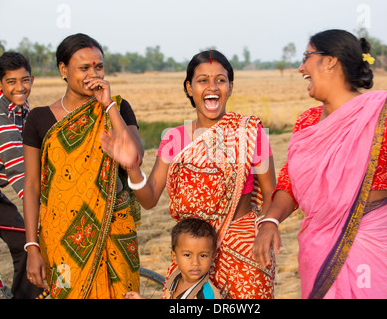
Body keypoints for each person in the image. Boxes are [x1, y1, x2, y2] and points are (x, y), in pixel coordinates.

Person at [253, 29, 387, 299]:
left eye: (306, 57)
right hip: (320, 249)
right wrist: (270, 220)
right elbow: (290, 183)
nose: (301, 67)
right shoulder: (308, 122)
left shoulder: (385, 112)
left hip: (375, 248)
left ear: (330, 61)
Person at [102, 50, 277, 299]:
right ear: (189, 87)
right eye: (202, 80)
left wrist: (265, 230)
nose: (212, 87)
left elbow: (271, 193)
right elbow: (149, 198)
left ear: (230, 86)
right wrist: (132, 167)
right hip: (191, 258)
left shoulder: (250, 133)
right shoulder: (174, 139)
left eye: (220, 79)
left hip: (245, 252)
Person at [22, 33, 144, 299]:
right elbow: (31, 186)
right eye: (84, 68)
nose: (93, 74)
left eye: (99, 66)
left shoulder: (119, 108)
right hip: (62, 240)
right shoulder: (39, 119)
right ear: (63, 70)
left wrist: (108, 104)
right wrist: (32, 246)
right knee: (67, 293)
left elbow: (135, 157)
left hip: (115, 229)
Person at [0, 52, 43, 299]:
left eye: (24, 80)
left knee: (27, 243)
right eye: (11, 82)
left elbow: (35, 151)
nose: (20, 87)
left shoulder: (19, 106)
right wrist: (47, 208)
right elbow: (19, 171)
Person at [124, 218, 221, 299]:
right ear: (174, 257)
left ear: (213, 257)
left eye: (203, 255)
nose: (195, 263)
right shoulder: (176, 276)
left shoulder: (207, 295)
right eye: (187, 255)